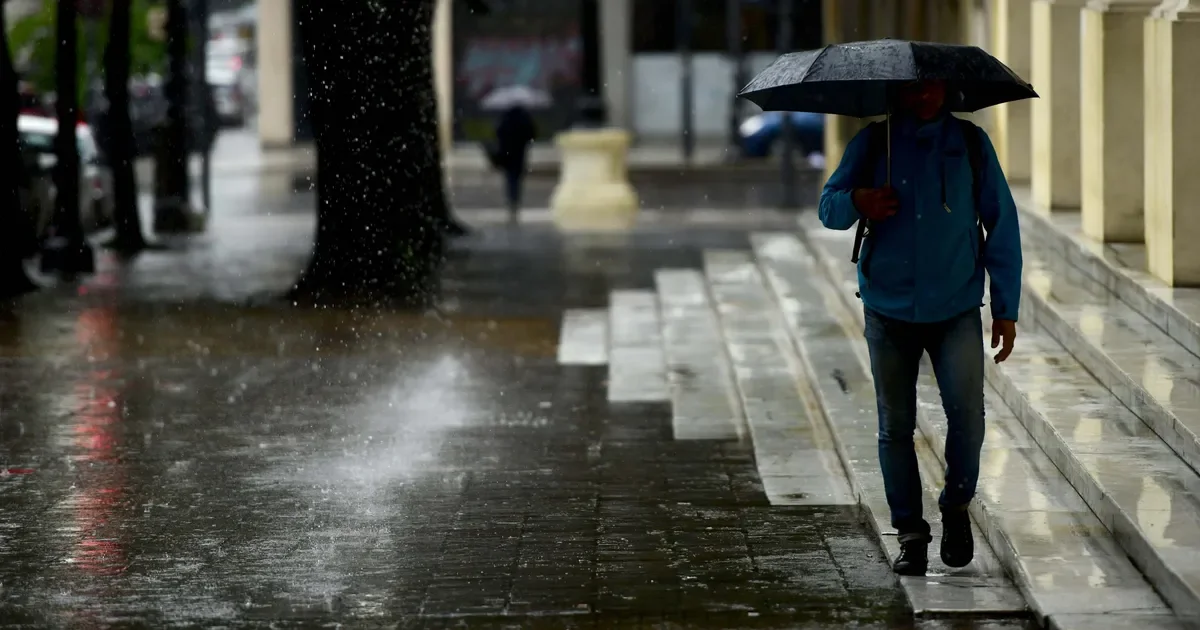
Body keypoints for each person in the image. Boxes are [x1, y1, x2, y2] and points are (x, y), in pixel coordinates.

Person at [818, 79, 1022, 576]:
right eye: (913, 87)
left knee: (968, 419)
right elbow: (829, 207)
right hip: (888, 306)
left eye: (933, 85)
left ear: (948, 89)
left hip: (954, 306)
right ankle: (910, 532)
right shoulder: (873, 142)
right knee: (895, 427)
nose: (924, 94)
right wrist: (859, 201)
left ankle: (956, 505)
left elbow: (1002, 221)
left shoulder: (971, 144)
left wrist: (1006, 306)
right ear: (897, 91)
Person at [493, 103, 536, 220]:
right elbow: (531, 134)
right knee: (517, 177)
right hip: (519, 153)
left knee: (510, 177)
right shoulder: (523, 119)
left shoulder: (505, 120)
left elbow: (499, 133)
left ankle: (512, 200)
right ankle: (515, 200)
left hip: (508, 153)